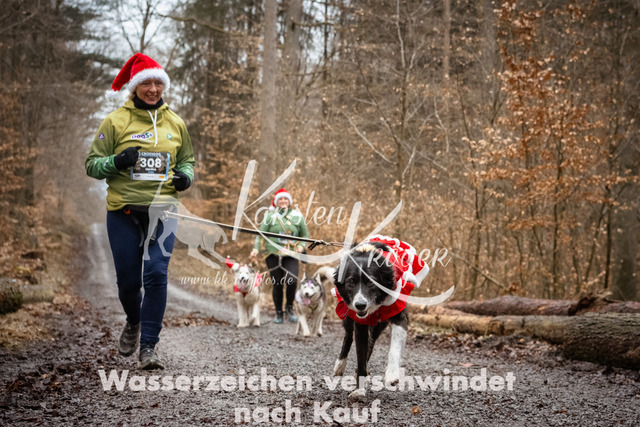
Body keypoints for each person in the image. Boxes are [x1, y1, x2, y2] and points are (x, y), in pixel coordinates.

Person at [85, 53, 195, 370]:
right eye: (146, 83)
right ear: (135, 87)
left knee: (157, 275)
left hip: (164, 212)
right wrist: (117, 161)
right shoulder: (115, 122)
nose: (153, 89)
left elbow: (187, 160)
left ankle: (148, 347)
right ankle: (134, 320)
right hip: (123, 212)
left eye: (158, 82)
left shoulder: (176, 123)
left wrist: (185, 177)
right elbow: (92, 165)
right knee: (129, 283)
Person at [250, 189, 309, 323]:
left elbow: (305, 235)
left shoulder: (297, 215)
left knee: (291, 281)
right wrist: (256, 248)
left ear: (289, 201)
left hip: (291, 253)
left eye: (285, 199)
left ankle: (289, 308)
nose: (283, 201)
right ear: (276, 202)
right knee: (277, 284)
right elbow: (261, 235)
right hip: (272, 254)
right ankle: (278, 313)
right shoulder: (270, 216)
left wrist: (301, 246)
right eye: (280, 199)